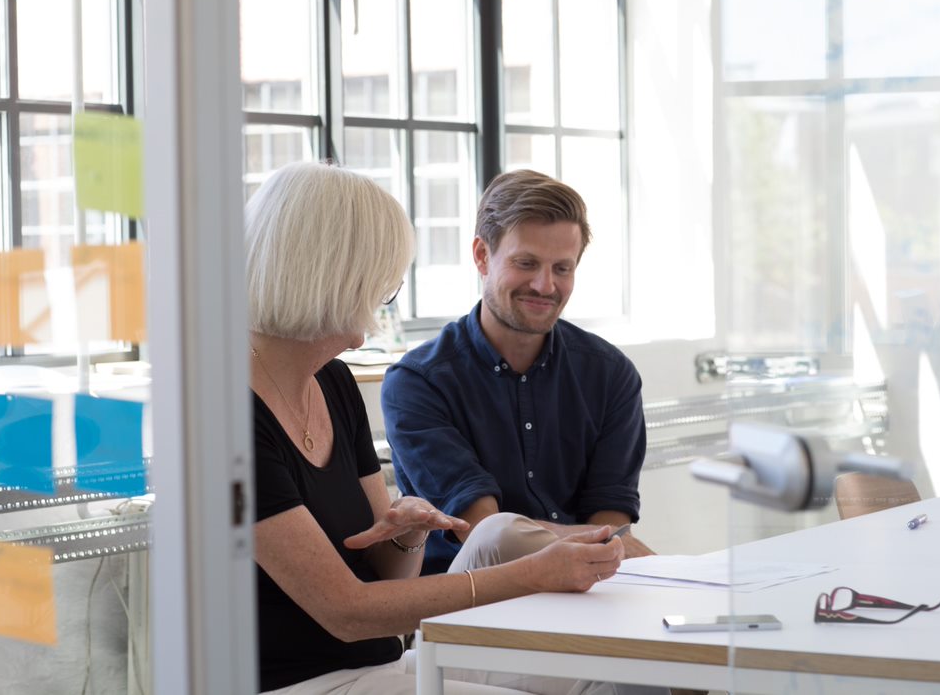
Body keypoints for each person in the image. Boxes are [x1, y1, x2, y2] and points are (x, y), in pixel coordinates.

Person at [247, 162, 659, 695]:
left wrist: (409, 534)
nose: (385, 297)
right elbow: (346, 612)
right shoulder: (233, 417)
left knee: (625, 673)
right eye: (382, 281)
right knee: (503, 539)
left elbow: (387, 572)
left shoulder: (333, 383)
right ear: (331, 277)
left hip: (383, 663)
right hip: (302, 683)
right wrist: (537, 572)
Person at [382, 169, 654, 577]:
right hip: (471, 594)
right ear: (481, 256)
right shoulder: (418, 382)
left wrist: (610, 545)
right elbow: (485, 533)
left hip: (586, 586)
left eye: (562, 268)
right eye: (526, 263)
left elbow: (611, 522)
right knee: (497, 535)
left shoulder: (611, 374)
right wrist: (605, 542)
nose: (545, 286)